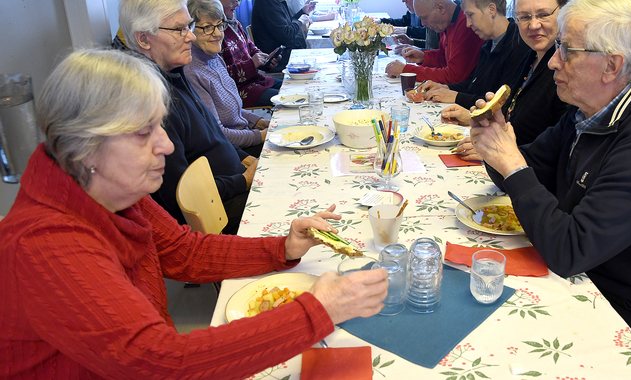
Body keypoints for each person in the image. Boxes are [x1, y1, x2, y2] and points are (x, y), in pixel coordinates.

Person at [0, 48, 388, 378]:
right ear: (84, 146)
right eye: (143, 132)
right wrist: (316, 313)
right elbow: (163, 363)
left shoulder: (104, 188)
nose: (166, 145)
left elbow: (184, 252)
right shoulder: (45, 245)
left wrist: (282, 248)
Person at [470, 0, 631, 343]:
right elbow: (521, 173)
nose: (552, 61)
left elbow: (570, 251)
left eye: (566, 49)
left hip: (623, 301)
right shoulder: (589, 108)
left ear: (611, 66)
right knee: (470, 283)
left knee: (485, 328)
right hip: (581, 265)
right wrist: (497, 144)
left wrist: (512, 163)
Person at [119, 0, 256, 235]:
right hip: (219, 215)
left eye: (189, 27)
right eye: (180, 29)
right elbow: (181, 196)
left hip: (234, 186)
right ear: (143, 39)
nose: (191, 37)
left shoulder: (175, 72)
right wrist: (243, 180)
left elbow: (214, 135)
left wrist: (246, 160)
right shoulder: (154, 101)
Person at [441, 0, 568, 156]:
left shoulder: (564, 72)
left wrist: (498, 150)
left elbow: (557, 151)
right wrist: (484, 121)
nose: (534, 25)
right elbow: (513, 118)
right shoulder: (530, 57)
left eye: (543, 15)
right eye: (525, 17)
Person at [184, 0, 268, 154]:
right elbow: (218, 133)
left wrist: (259, 121)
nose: (217, 33)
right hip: (233, 151)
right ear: (190, 30)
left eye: (219, 25)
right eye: (207, 27)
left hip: (244, 136)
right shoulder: (192, 72)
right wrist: (261, 136)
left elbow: (233, 113)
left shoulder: (214, 57)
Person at [418, 0, 530, 109]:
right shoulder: (489, 43)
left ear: (492, 10)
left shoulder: (517, 47)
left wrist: (456, 97)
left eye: (471, 15)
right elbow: (473, 84)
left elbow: (500, 103)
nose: (468, 24)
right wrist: (445, 87)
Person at [384, 0, 484, 84]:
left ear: (441, 8)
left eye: (425, 17)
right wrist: (424, 57)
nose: (423, 24)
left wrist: (407, 71)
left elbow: (454, 76)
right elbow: (444, 57)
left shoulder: (466, 25)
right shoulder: (445, 22)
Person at [218, 0, 283, 108]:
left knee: (292, 89)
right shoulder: (215, 35)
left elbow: (251, 47)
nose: (238, 5)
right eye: (233, 1)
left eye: (238, 1)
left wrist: (264, 60)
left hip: (255, 80)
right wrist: (252, 64)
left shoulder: (234, 23)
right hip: (239, 90)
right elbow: (221, 76)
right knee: (286, 98)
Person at [251, 0, 313, 72]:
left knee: (313, 58)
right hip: (276, 59)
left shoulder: (277, 2)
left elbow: (288, 25)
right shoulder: (267, 3)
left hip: (285, 51)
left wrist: (302, 12)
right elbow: (286, 35)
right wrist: (300, 22)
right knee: (312, 62)